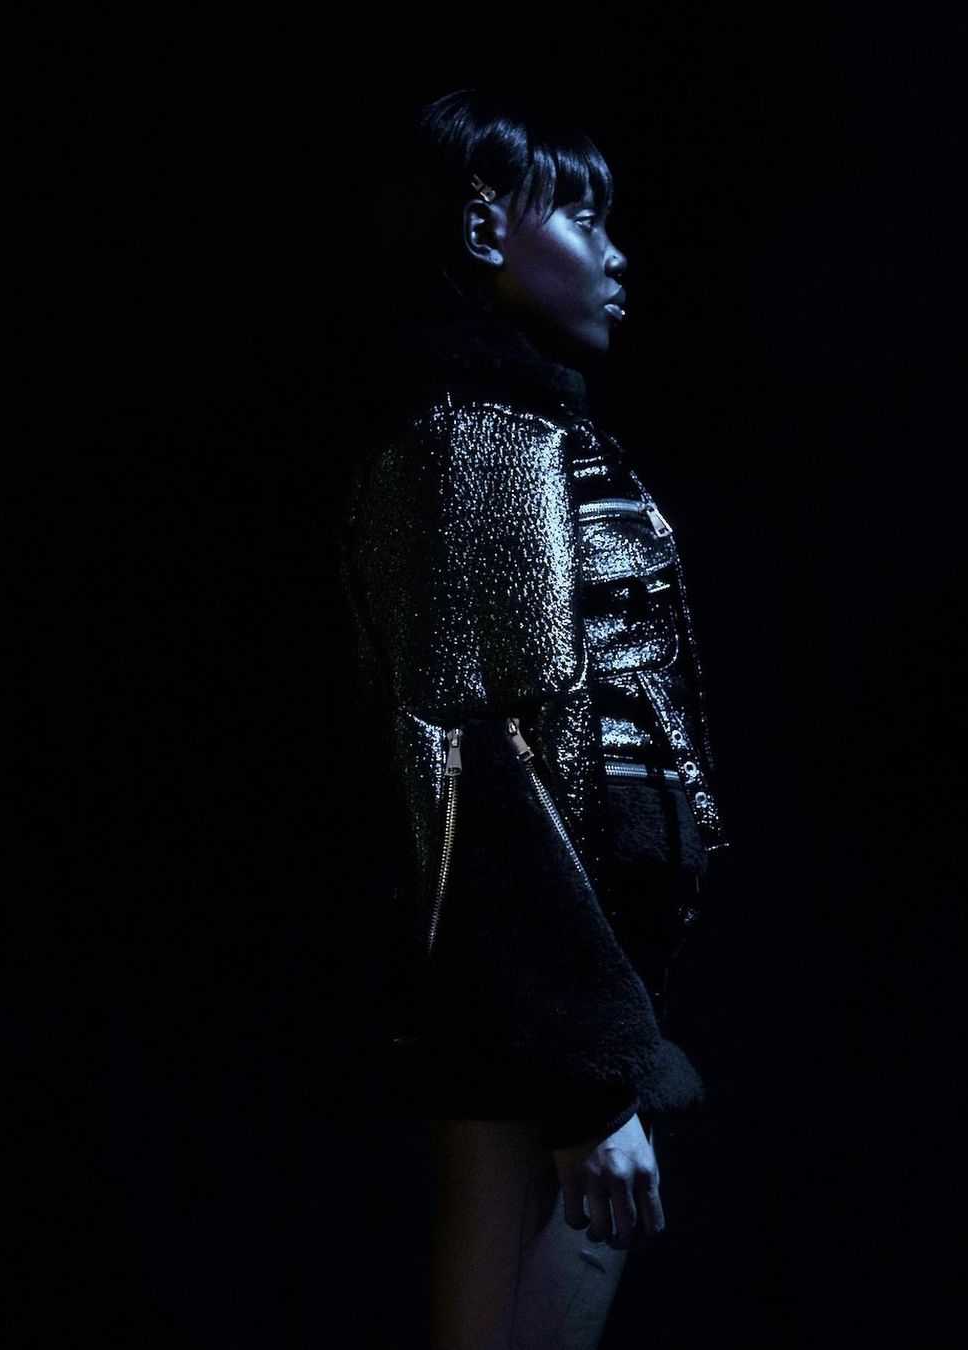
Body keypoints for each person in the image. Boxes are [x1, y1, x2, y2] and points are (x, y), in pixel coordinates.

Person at [340, 87, 726, 1350]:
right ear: (483, 224)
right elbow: (475, 771)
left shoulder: (511, 433)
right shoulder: (473, 443)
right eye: (584, 215)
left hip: (550, 1010)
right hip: (535, 1020)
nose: (616, 254)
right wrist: (588, 1082)